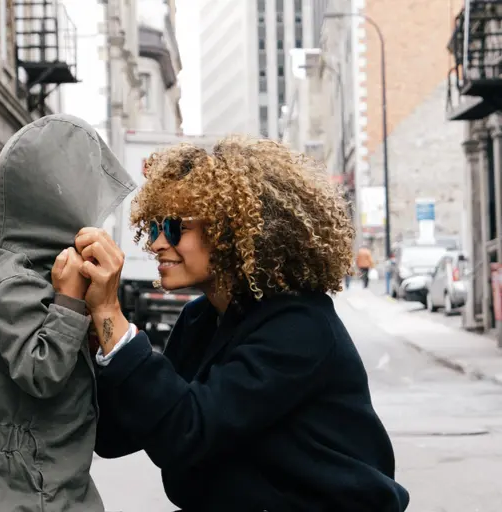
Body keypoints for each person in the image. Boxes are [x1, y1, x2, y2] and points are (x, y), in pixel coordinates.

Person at [75, 137, 410, 511]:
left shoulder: (300, 326)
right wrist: (96, 342)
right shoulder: (200, 319)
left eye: (173, 227)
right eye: (153, 227)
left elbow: (189, 431)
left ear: (231, 232)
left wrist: (112, 318)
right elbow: (116, 435)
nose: (156, 243)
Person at [0, 114, 135, 512]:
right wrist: (69, 303)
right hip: (27, 487)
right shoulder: (17, 278)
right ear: (57, 200)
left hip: (45, 479)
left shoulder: (37, 270)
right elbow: (41, 370)